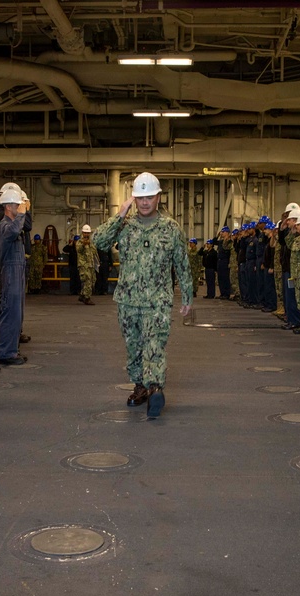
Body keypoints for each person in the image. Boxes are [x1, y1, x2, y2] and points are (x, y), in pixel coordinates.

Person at [91, 172, 193, 419]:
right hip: (127, 300)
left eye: (149, 197)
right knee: (134, 347)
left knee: (154, 345)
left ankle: (155, 387)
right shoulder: (125, 226)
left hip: (158, 300)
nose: (145, 202)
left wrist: (188, 296)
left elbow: (182, 262)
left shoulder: (170, 228)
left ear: (158, 196)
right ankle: (141, 386)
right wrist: (121, 213)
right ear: (134, 199)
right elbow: (98, 241)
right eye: (140, 197)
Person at [0, 187, 29, 365]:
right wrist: (22, 215)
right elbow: (15, 231)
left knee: (17, 313)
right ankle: (6, 353)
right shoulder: (4, 226)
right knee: (10, 313)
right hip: (9, 272)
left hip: (17, 270)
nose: (20, 208)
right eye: (17, 205)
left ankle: (12, 350)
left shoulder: (12, 224)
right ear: (8, 206)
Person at [77, 224, 98, 305]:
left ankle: (82, 295)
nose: (86, 234)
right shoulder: (79, 242)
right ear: (82, 233)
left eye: (88, 233)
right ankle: (87, 298)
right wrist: (84, 244)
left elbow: (94, 253)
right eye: (85, 233)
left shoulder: (91, 243)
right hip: (84, 265)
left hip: (91, 265)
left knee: (93, 281)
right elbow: (79, 250)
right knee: (87, 281)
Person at [216, 226, 232, 298]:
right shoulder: (221, 242)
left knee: (225, 277)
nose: (222, 233)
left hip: (225, 261)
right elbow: (214, 241)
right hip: (220, 261)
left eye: (223, 232)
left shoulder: (229, 241)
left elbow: (227, 250)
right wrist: (218, 235)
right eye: (221, 232)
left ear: (227, 233)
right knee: (220, 278)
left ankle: (226, 293)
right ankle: (222, 293)